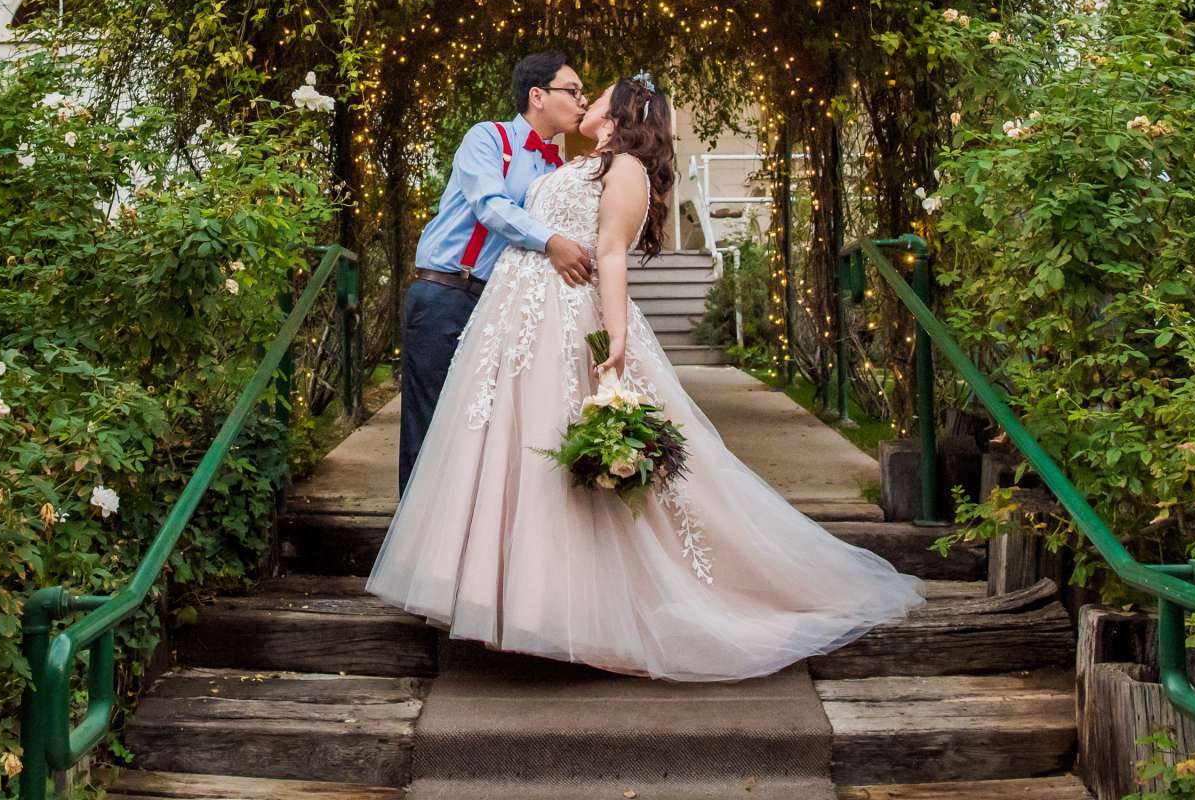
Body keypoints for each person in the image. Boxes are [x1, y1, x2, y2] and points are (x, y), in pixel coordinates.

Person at [368, 73, 927, 681]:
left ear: (626, 108)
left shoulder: (625, 168)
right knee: (513, 457)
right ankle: (514, 601)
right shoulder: (566, 158)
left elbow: (609, 253)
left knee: (561, 456)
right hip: (515, 322)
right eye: (578, 89)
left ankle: (579, 608)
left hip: (564, 318)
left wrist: (614, 340)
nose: (586, 100)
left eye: (596, 93)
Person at [398, 49, 595, 492]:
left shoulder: (558, 168)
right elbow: (490, 206)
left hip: (501, 306)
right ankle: (416, 550)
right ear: (537, 96)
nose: (582, 101)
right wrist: (551, 242)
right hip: (446, 295)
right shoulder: (488, 139)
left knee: (479, 426)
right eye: (574, 90)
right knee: (427, 425)